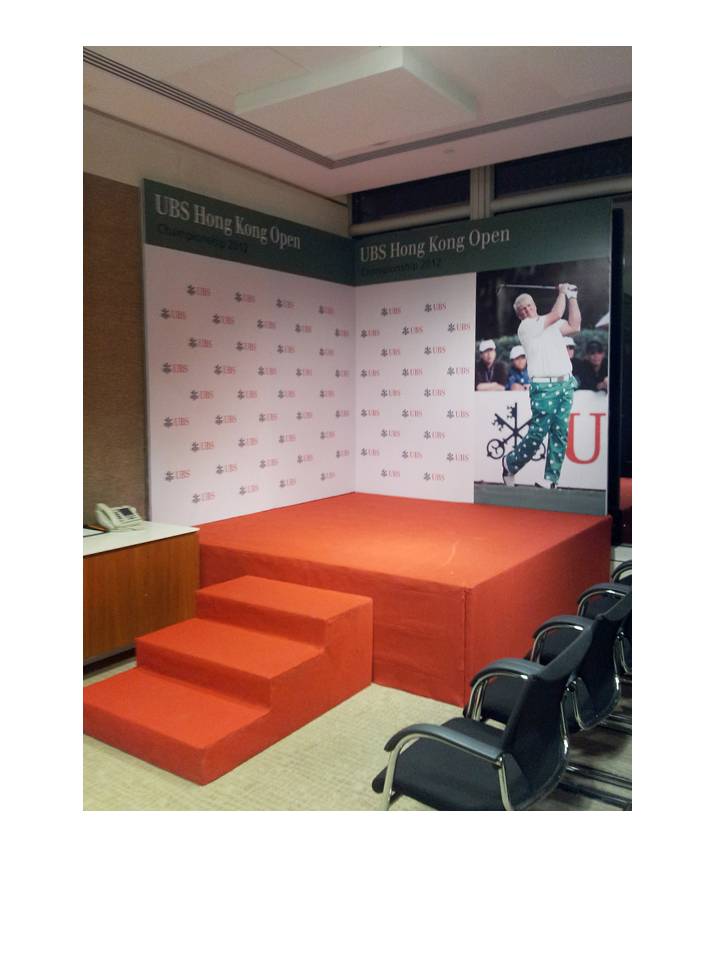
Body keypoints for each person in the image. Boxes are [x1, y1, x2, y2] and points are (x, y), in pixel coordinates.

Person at [502, 284, 580, 489]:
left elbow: (575, 325)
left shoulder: (551, 324)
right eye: (522, 310)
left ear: (534, 305)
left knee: (560, 433)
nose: (527, 311)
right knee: (537, 434)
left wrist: (572, 296)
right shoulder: (526, 327)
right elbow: (557, 313)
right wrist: (562, 291)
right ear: (519, 315)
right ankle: (510, 464)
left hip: (565, 383)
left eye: (529, 306)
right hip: (544, 388)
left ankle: (551, 479)